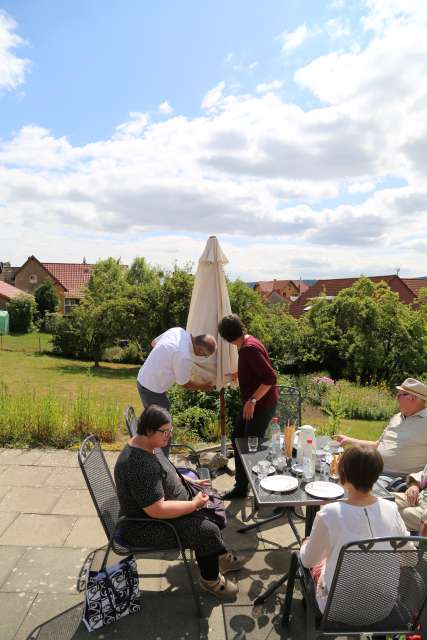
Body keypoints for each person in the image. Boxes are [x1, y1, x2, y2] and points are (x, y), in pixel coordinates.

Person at [114, 405, 247, 599]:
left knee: (212, 500)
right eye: (165, 432)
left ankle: (219, 556)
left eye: (171, 431)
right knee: (206, 530)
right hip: (146, 527)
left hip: (164, 509)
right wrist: (193, 505)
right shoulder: (138, 465)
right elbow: (156, 510)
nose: (169, 436)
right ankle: (210, 581)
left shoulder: (147, 444)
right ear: (149, 430)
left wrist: (188, 481)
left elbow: (164, 471)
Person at [299, 446, 411, 614]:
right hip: (383, 607)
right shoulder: (391, 509)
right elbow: (410, 558)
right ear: (376, 476)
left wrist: (305, 544)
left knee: (311, 551)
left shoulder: (329, 514)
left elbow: (308, 561)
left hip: (337, 608)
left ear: (343, 475)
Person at [218, 314, 278, 499]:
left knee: (249, 447)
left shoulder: (248, 349)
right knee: (238, 439)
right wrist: (239, 372)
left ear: (226, 337)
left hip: (260, 406)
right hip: (253, 404)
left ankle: (261, 488)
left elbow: (270, 378)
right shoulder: (248, 341)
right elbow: (257, 369)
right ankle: (242, 486)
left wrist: (252, 400)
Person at [335, 378, 427, 477]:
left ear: (412, 398)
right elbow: (377, 445)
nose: (396, 398)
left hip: (395, 479)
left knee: (349, 484)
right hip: (373, 468)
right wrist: (348, 440)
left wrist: (415, 482)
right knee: (337, 469)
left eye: (400, 395)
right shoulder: (397, 417)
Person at [136, 327, 217, 411]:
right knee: (162, 420)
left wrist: (165, 361)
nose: (204, 357)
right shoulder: (184, 357)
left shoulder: (178, 331)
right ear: (200, 349)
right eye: (206, 355)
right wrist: (203, 386)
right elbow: (185, 384)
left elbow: (154, 343)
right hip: (151, 388)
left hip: (145, 378)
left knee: (163, 413)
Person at [393, 469, 427, 535]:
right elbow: (422, 475)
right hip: (421, 496)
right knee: (384, 499)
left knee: (394, 513)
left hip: (424, 510)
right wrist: (414, 485)